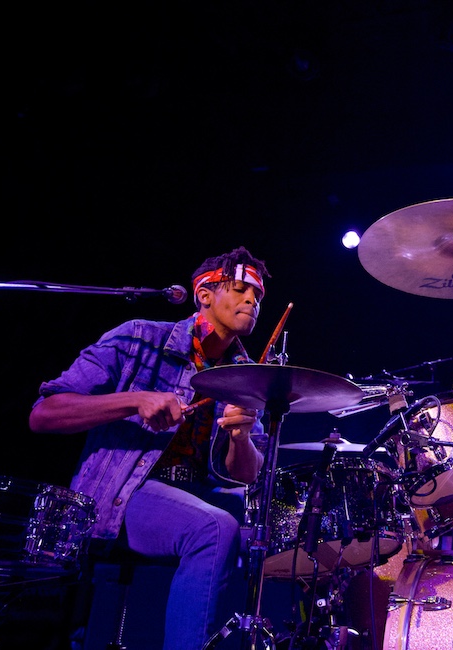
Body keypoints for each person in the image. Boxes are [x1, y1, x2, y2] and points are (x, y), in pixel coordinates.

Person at [29, 246, 271, 650]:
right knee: (215, 527)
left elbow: (245, 474)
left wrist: (240, 435)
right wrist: (134, 399)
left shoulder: (245, 374)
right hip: (119, 496)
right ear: (204, 294)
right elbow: (44, 414)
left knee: (263, 535)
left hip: (192, 495)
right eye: (241, 289)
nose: (252, 300)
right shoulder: (139, 337)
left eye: (258, 296)